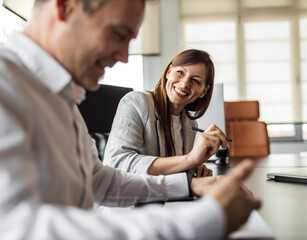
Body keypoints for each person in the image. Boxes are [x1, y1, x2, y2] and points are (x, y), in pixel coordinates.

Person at [0, 0, 261, 239]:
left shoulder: (59, 97)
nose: (124, 56)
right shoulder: (6, 86)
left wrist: (191, 185)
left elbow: (100, 181)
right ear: (66, 7)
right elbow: (18, 228)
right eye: (118, 34)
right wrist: (207, 219)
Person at [104, 49, 220, 177]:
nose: (185, 83)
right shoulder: (136, 102)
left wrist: (192, 170)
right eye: (180, 72)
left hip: (169, 195)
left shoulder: (190, 124)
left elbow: (171, 172)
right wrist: (189, 160)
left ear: (204, 91)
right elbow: (117, 163)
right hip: (135, 196)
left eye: (195, 80)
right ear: (169, 72)